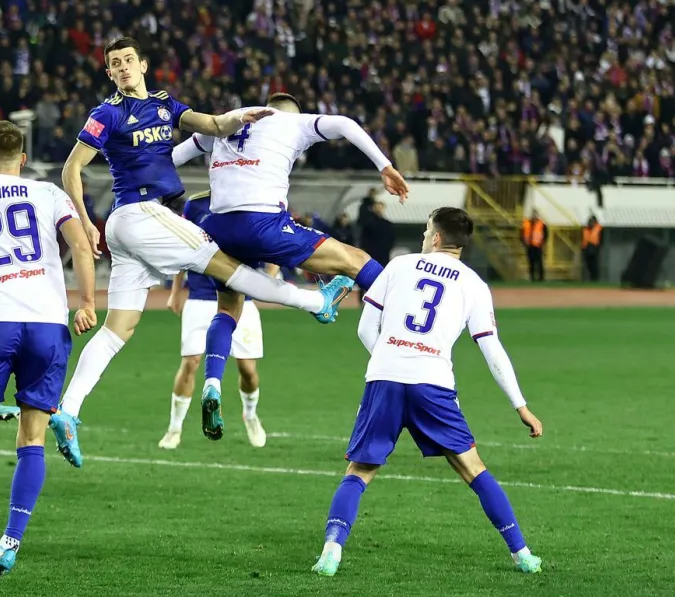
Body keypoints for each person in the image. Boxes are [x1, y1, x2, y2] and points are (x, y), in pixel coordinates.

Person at [48, 37, 353, 468]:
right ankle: (316, 302)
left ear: (143, 64)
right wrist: (82, 221)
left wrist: (239, 117)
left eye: (129, 60)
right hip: (139, 213)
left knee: (119, 329)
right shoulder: (107, 113)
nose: (123, 67)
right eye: (115, 63)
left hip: (135, 225)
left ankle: (68, 410)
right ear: (109, 73)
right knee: (229, 267)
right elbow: (71, 168)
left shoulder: (164, 104)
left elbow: (210, 123)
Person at [311, 207, 544, 577]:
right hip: (433, 383)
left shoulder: (399, 266)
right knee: (473, 468)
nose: (423, 237)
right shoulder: (473, 285)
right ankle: (523, 554)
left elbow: (365, 329)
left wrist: (392, 359)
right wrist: (521, 406)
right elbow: (492, 348)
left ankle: (331, 551)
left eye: (425, 231)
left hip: (384, 379)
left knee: (359, 471)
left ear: (436, 238)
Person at [169, 92, 409, 439]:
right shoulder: (294, 122)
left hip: (218, 227)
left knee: (228, 309)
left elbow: (175, 155)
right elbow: (345, 124)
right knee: (357, 261)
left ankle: (212, 385)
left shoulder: (228, 119)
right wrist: (384, 166)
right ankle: (407, 325)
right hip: (263, 223)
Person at [0, 120, 98, 576]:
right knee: (33, 439)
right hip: (47, 325)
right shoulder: (49, 194)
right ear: (24, 159)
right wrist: (87, 303)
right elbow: (81, 247)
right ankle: (9, 543)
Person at [160, 192, 274, 450]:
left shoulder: (250, 200)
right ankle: (174, 428)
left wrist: (270, 278)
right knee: (190, 362)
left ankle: (250, 415)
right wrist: (176, 291)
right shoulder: (195, 205)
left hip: (240, 299)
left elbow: (269, 244)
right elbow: (184, 245)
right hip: (200, 298)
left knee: (248, 370)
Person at [521, 210, 546, 282]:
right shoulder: (526, 223)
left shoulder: (541, 224)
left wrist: (542, 242)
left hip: (537, 246)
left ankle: (541, 278)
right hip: (529, 246)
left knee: (539, 262)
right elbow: (522, 234)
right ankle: (532, 277)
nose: (534, 216)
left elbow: (545, 234)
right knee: (531, 262)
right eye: (533, 215)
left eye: (535, 215)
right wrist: (524, 243)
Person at [581, 215, 603, 282]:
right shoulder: (585, 229)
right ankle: (591, 278)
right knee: (588, 264)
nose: (590, 222)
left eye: (592, 221)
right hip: (586, 247)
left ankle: (595, 278)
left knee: (594, 263)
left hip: (594, 247)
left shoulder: (598, 228)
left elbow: (601, 238)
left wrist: (598, 246)